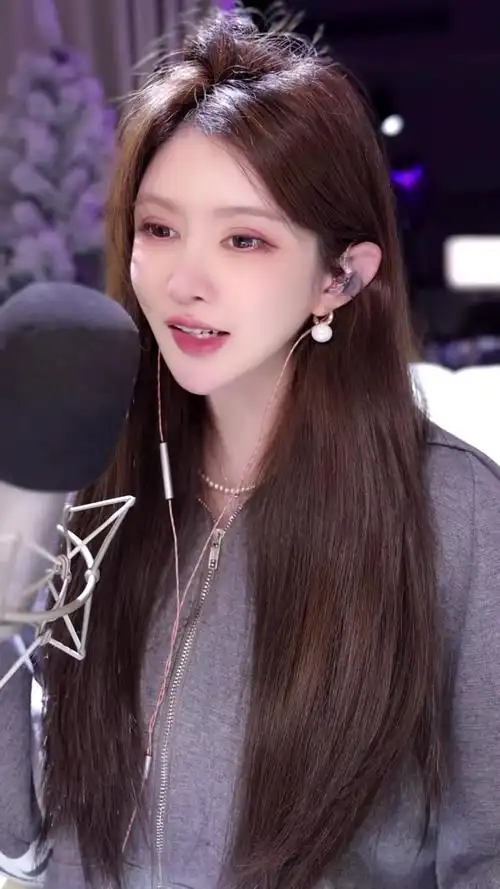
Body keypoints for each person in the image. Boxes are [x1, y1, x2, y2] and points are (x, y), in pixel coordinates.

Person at [1, 9, 500, 889]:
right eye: (159, 229)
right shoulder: (95, 484)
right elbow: (27, 836)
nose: (185, 281)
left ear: (339, 277)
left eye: (244, 239)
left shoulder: (451, 512)